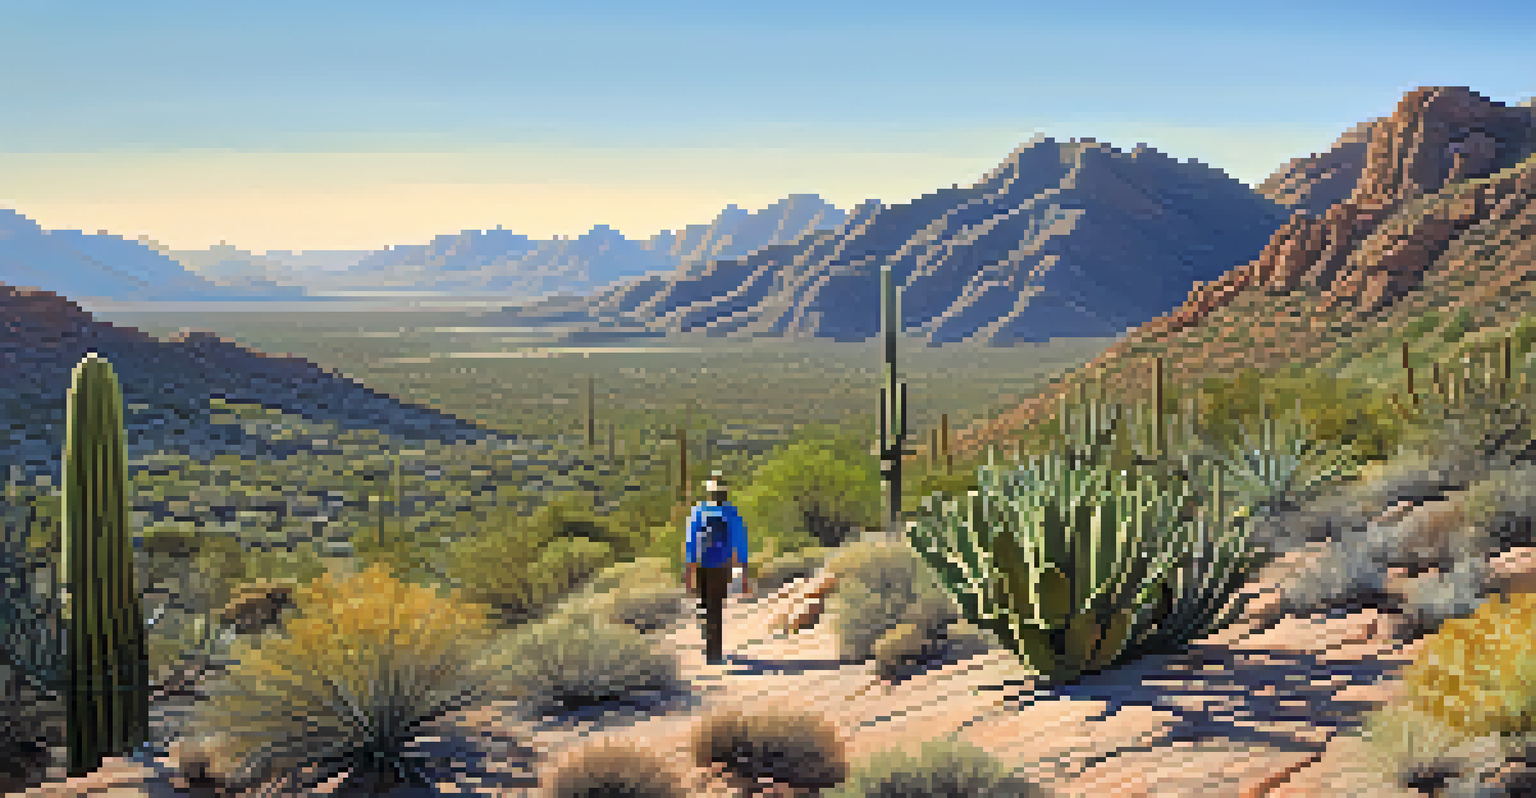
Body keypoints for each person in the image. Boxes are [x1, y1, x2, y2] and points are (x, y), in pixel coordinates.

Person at [684, 473, 750, 665]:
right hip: (723, 566)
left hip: (703, 565)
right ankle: (714, 652)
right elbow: (741, 543)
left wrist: (689, 569)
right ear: (725, 492)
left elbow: (691, 542)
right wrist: (743, 572)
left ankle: (709, 644)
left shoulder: (699, 511)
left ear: (709, 493)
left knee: (705, 605)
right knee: (716, 607)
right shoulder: (732, 513)